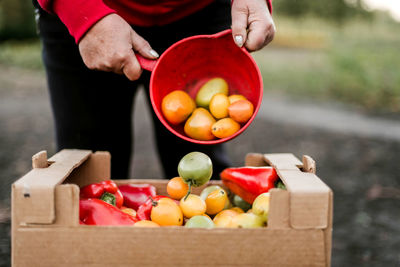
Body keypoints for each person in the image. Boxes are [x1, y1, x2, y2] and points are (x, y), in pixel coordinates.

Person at [33, 0, 275, 179]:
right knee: (88, 170)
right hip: (92, 9)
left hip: (202, 10)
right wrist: (82, 14)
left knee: (200, 173)